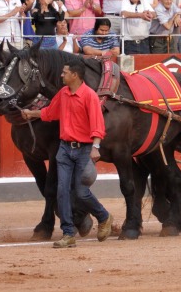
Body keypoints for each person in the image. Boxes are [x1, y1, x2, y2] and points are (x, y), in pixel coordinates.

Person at [21, 60, 113, 248]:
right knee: (61, 191)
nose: (61, 75)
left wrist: (96, 146)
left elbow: (97, 124)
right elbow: (50, 113)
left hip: (83, 149)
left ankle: (103, 216)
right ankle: (68, 233)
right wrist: (31, 114)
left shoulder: (89, 96)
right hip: (64, 149)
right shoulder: (62, 94)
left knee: (80, 192)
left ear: (75, 76)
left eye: (65, 73)